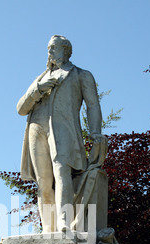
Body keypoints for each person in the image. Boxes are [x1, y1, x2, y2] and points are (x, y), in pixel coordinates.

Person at [17, 35, 104, 232]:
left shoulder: (81, 75)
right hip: (36, 129)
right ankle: (48, 228)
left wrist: (95, 132)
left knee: (62, 170)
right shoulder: (40, 78)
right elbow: (21, 108)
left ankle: (65, 221)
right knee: (44, 182)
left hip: (63, 128)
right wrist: (37, 90)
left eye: (54, 48)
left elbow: (93, 106)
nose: (49, 52)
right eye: (48, 48)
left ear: (66, 50)